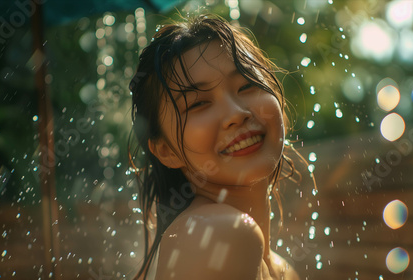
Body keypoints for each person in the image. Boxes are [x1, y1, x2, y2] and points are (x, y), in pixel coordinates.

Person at [129, 14, 307, 280]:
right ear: (165, 150)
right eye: (198, 104)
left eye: (248, 84)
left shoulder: (281, 270)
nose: (236, 113)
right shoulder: (221, 233)